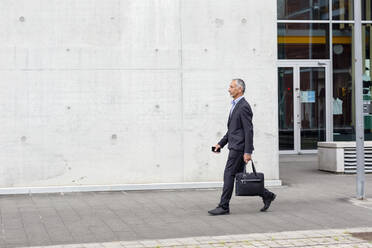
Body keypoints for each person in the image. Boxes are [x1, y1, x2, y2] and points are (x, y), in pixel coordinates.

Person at [208, 79, 276, 215]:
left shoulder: (244, 106)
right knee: (239, 176)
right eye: (229, 86)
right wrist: (220, 144)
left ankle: (224, 206)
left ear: (240, 89)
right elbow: (233, 130)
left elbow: (248, 131)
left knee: (229, 175)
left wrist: (248, 152)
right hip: (235, 146)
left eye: (232, 87)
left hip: (239, 149)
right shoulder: (235, 105)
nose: (229, 89)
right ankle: (266, 195)